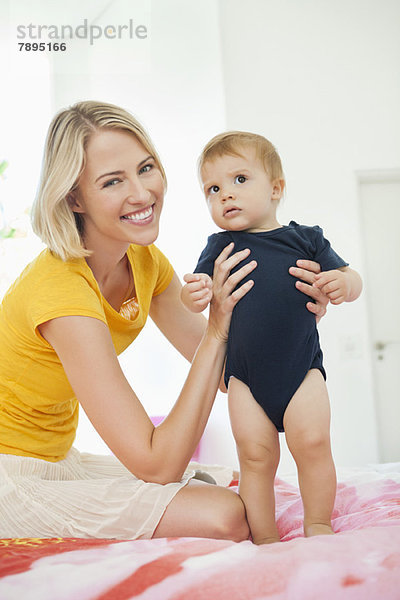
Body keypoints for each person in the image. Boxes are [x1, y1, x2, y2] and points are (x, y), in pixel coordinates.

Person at [0, 104, 328, 541]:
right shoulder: (61, 293)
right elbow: (157, 464)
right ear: (74, 197)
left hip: (60, 461)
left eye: (146, 168)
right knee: (226, 515)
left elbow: (233, 372)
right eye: (113, 181)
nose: (142, 193)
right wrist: (216, 331)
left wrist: (292, 312)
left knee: (223, 481)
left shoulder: (142, 261)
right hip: (11, 474)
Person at [181, 131, 362, 544]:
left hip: (302, 371)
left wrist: (343, 284)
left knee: (313, 444)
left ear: (276, 188)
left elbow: (352, 278)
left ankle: (318, 523)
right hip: (245, 378)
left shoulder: (306, 239)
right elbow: (195, 292)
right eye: (213, 188)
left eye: (239, 180)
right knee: (255, 457)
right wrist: (191, 294)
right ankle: (264, 537)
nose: (225, 195)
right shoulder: (219, 247)